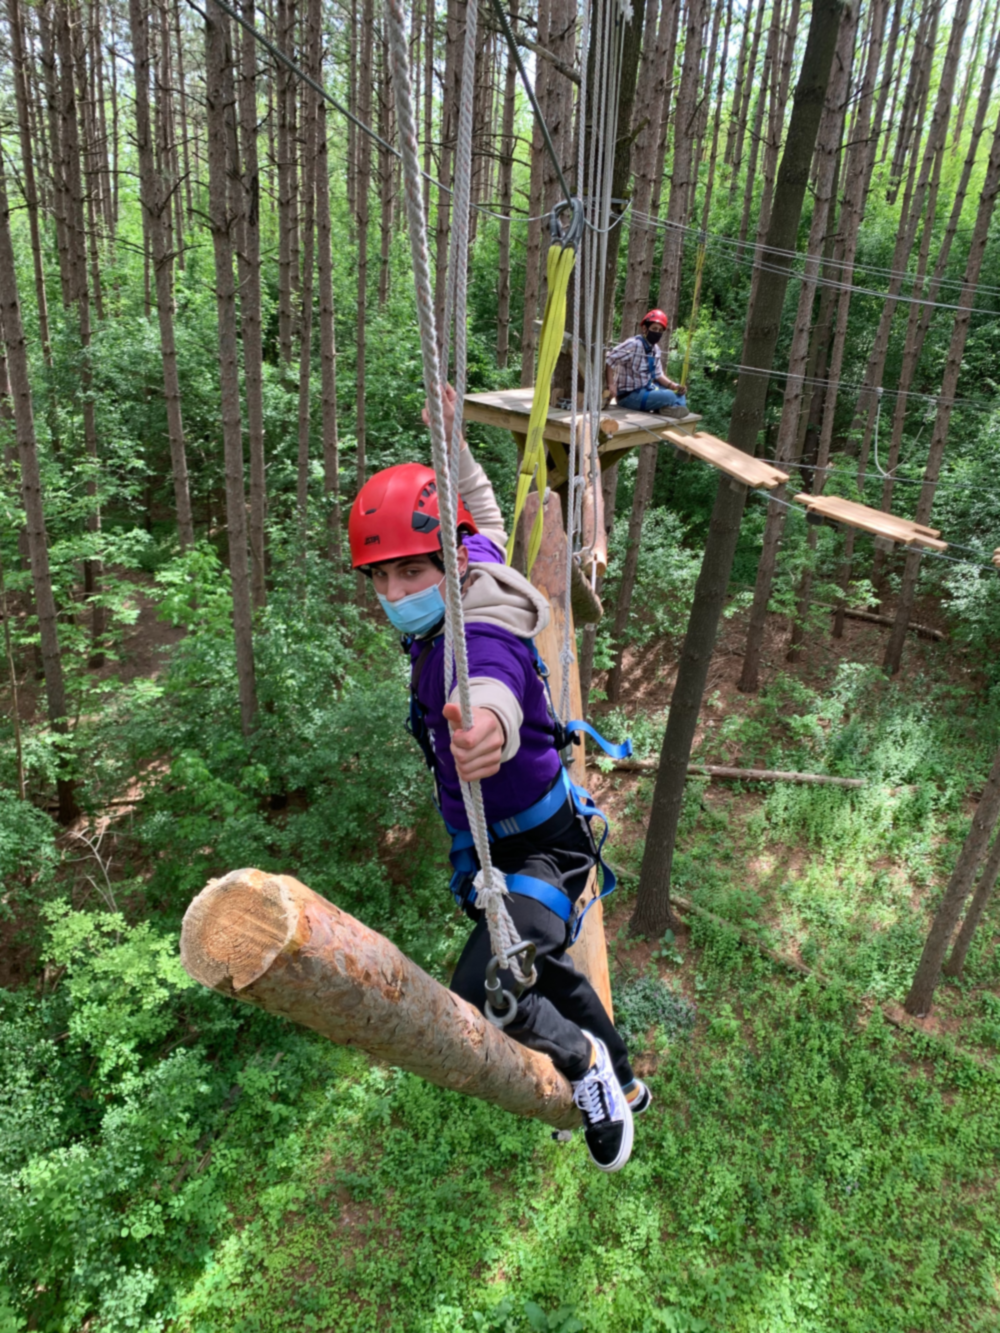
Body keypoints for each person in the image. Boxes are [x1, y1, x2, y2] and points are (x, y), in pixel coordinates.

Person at [348, 385, 649, 1172]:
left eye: (410, 574)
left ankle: (585, 1071)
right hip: (511, 849)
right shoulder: (472, 562)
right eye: (380, 579)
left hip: (542, 852)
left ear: (444, 561)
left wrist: (484, 735)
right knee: (544, 969)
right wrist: (454, 441)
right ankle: (623, 1072)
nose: (395, 595)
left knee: (489, 987)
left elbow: (489, 692)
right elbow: (477, 502)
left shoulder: (473, 637)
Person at [605, 309, 694, 420]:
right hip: (628, 396)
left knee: (679, 393)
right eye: (654, 329)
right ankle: (669, 407)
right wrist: (611, 384)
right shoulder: (633, 344)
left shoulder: (655, 349)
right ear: (645, 328)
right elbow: (609, 359)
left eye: (660, 330)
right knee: (670, 396)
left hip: (646, 390)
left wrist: (674, 386)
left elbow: (658, 374)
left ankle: (670, 408)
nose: (657, 333)